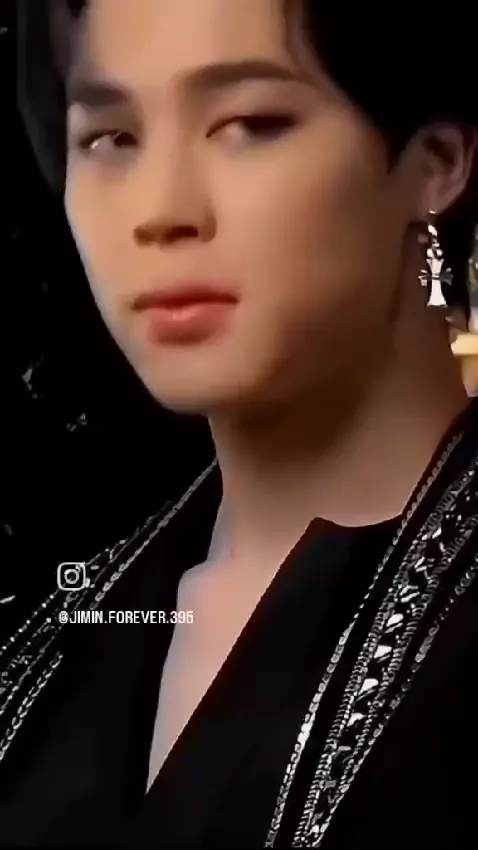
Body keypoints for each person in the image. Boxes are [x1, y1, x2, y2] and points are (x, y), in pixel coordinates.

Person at [2, 0, 478, 846]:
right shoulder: (50, 635)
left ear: (434, 161)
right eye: (110, 138)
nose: (160, 210)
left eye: (250, 125)